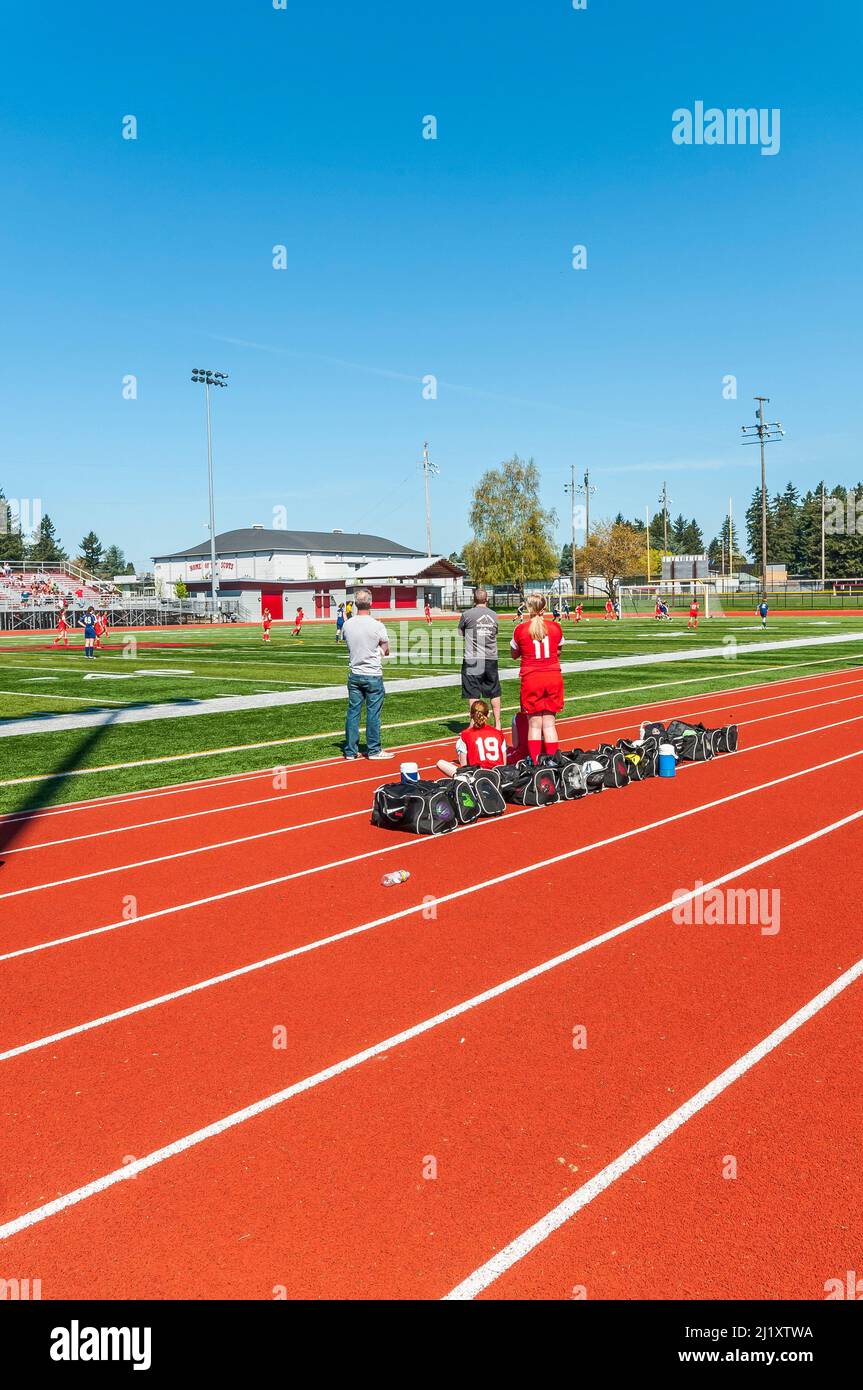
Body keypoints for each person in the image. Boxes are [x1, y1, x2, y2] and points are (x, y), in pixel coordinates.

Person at [510, 593, 565, 763]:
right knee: (549, 724)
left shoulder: (520, 629)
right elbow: (558, 650)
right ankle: (552, 762)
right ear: (545, 607)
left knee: (534, 725)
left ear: (528, 608)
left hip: (532, 677)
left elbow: (513, 654)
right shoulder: (555, 627)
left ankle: (535, 763)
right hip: (553, 675)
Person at [342, 588, 393, 761]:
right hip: (372, 674)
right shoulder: (377, 625)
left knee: (353, 713)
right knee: (373, 713)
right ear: (370, 603)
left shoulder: (348, 624)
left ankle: (350, 751)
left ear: (356, 604)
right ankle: (373, 749)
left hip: (355, 672)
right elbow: (385, 650)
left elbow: (349, 645)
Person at [457, 585, 502, 729]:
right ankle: (498, 723)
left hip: (472, 657)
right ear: (487, 599)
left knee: (473, 692)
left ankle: (474, 724)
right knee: (494, 691)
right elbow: (495, 632)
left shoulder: (467, 614)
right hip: (490, 657)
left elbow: (461, 632)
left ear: (474, 599)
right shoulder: (494, 615)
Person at [436, 700, 507, 777]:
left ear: (470, 715)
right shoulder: (498, 733)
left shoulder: (465, 735)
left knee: (440, 763)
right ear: (488, 715)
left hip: (477, 777)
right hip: (498, 776)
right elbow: (504, 763)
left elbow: (464, 767)